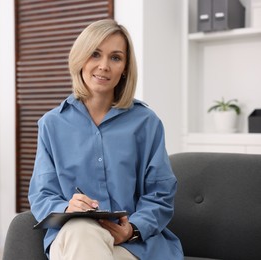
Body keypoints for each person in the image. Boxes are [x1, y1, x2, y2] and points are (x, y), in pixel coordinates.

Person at [28, 19, 183, 260]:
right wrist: (68, 208)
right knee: (80, 230)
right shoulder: (51, 124)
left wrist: (131, 229)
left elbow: (160, 194)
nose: (104, 66)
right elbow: (42, 194)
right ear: (81, 59)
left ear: (125, 68)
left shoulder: (147, 123)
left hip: (133, 244)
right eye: (95, 54)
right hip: (72, 238)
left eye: (115, 57)